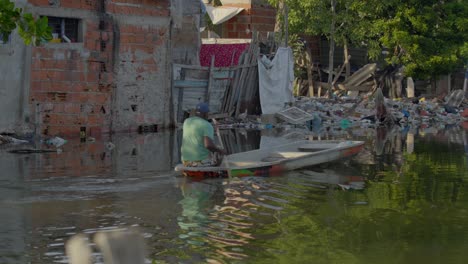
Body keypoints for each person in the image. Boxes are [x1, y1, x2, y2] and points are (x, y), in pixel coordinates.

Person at [181, 102, 225, 167]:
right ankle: (216, 168)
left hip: (185, 161)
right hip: (200, 162)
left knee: (212, 148)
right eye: (207, 113)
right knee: (218, 148)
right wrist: (220, 151)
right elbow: (208, 145)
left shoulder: (186, 121)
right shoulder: (206, 125)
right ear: (205, 114)